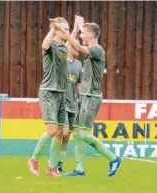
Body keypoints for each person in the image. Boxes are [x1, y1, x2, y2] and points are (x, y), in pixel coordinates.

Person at [52, 17, 122, 177]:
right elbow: (73, 46)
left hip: (91, 97)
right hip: (84, 97)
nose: (81, 37)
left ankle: (114, 158)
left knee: (82, 133)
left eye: (84, 34)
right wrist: (78, 27)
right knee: (76, 132)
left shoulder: (97, 49)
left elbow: (76, 46)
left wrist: (64, 32)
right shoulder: (92, 51)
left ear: (90, 36)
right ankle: (79, 169)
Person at [27, 17, 69, 177]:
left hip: (61, 92)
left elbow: (73, 44)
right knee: (52, 130)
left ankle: (51, 167)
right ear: (57, 31)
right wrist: (52, 28)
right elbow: (43, 45)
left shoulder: (64, 48)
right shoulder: (50, 45)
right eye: (64, 29)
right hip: (49, 92)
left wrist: (76, 29)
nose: (67, 32)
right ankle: (34, 159)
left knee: (60, 132)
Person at [56, 43, 83, 175]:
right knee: (64, 133)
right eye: (75, 46)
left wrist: (82, 101)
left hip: (74, 105)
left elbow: (79, 85)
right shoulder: (62, 61)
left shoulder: (78, 64)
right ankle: (53, 163)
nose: (78, 49)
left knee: (67, 137)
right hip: (62, 104)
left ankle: (59, 165)